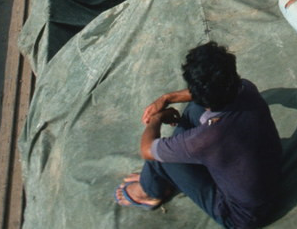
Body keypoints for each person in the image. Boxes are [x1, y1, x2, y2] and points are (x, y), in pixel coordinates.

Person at [116, 41, 284, 229]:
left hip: (242, 216)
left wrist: (157, 118)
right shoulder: (246, 89)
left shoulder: (208, 138)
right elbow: (202, 95)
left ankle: (149, 190)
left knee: (161, 158)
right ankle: (156, 177)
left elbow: (147, 150)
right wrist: (167, 98)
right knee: (194, 111)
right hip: (272, 176)